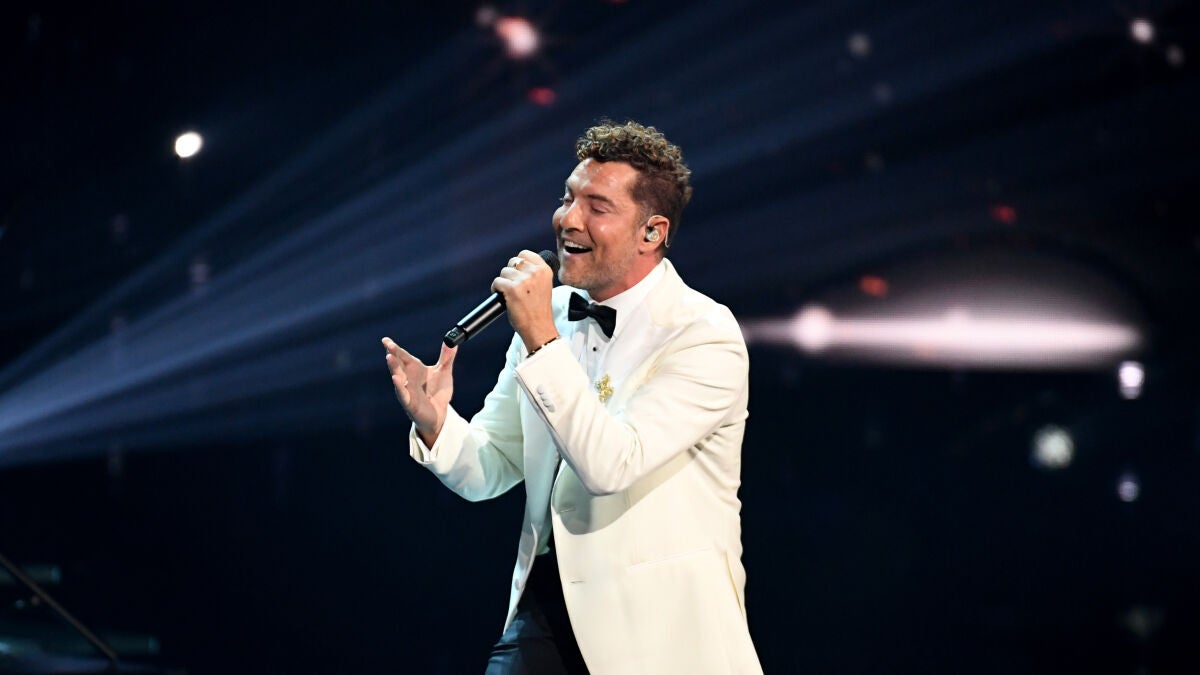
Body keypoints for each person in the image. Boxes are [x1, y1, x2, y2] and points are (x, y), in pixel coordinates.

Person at [382, 121, 762, 674]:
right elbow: (492, 466)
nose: (568, 219)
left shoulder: (702, 334)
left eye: (597, 207)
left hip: (659, 633)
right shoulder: (553, 314)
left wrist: (541, 338)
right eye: (567, 198)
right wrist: (437, 421)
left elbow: (612, 466)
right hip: (545, 612)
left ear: (651, 232)